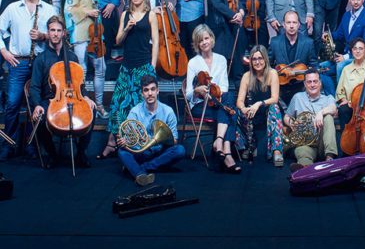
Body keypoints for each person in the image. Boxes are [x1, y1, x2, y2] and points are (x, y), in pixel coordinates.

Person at [0, 0, 56, 161]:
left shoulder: (49, 9)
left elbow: (59, 34)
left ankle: (31, 145)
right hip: (18, 62)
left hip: (40, 64)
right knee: (12, 104)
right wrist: (4, 52)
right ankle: (8, 145)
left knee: (35, 105)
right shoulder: (13, 8)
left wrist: (43, 36)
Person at [28, 15, 96, 169]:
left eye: (59, 30)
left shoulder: (72, 57)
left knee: (91, 111)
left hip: (73, 98)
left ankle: (81, 153)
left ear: (64, 33)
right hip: (50, 100)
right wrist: (37, 105)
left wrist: (86, 97)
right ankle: (52, 155)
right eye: (52, 30)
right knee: (40, 116)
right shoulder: (41, 59)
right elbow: (34, 87)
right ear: (48, 32)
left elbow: (80, 84)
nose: (55, 34)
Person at [176, 24, 241, 173]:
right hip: (200, 106)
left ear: (212, 39)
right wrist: (197, 90)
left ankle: (220, 143)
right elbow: (188, 95)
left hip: (217, 102)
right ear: (197, 44)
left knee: (229, 97)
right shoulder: (193, 63)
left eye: (206, 38)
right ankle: (227, 153)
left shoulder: (221, 60)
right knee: (231, 112)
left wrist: (214, 92)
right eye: (201, 40)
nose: (204, 42)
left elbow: (224, 86)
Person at [106, 0, 160, 150]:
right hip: (127, 67)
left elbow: (156, 42)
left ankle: (138, 142)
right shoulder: (125, 15)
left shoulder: (150, 15)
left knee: (139, 104)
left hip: (143, 66)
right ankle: (112, 142)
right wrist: (127, 27)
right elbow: (118, 41)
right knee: (118, 104)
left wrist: (152, 66)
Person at [117, 75, 186, 185]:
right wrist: (124, 142)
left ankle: (140, 169)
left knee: (180, 150)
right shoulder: (135, 112)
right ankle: (143, 173)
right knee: (122, 151)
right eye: (146, 90)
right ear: (142, 93)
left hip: (160, 151)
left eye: (153, 89)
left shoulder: (168, 111)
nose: (150, 93)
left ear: (158, 91)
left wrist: (158, 139)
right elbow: (128, 136)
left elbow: (175, 140)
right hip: (142, 152)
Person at [283, 69, 338, 172]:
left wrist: (320, 113)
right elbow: (286, 117)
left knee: (328, 117)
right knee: (302, 152)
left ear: (320, 83)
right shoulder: (297, 97)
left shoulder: (328, 98)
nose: (312, 85)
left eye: (315, 81)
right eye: (309, 82)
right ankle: (306, 170)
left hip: (322, 144)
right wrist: (291, 123)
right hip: (305, 143)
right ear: (305, 84)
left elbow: (333, 109)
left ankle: (329, 158)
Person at [270, 10, 333, 99]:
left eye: (294, 22)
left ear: (299, 24)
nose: (291, 26)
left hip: (302, 88)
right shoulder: (274, 42)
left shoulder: (308, 42)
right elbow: (268, 65)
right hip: (280, 87)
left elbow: (313, 65)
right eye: (288, 22)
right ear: (283, 25)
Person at [236, 45, 282, 163]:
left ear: (265, 59)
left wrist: (259, 104)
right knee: (235, 112)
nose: (257, 62)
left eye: (260, 58)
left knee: (275, 108)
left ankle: (277, 150)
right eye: (254, 59)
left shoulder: (272, 73)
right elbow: (239, 101)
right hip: (252, 113)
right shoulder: (247, 76)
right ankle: (247, 146)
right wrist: (244, 108)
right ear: (251, 61)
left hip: (267, 112)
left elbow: (275, 98)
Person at [64, 0, 100, 83]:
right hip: (80, 32)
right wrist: (87, 12)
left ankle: (99, 103)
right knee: (82, 67)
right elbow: (68, 9)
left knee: (100, 68)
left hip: (94, 33)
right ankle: (81, 99)